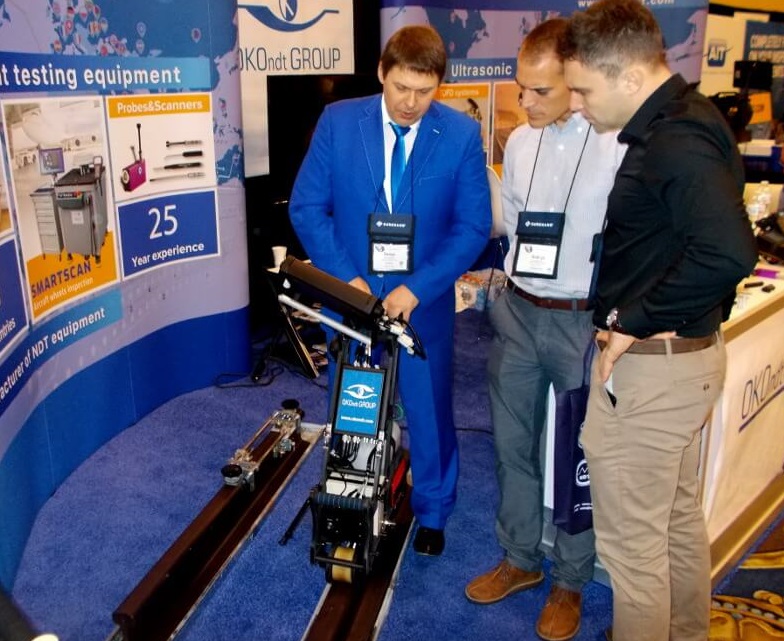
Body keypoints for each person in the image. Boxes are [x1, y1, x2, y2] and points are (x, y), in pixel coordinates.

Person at [559, 1, 758, 640]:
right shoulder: (686, 117)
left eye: (583, 90)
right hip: (677, 366)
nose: (577, 105)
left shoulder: (675, 139)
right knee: (673, 521)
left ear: (627, 75)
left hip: (653, 375)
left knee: (633, 554)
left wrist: (632, 319)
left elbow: (728, 252)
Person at [288, 25, 491, 556]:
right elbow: (307, 208)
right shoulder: (338, 122)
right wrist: (348, 281)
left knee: (428, 411)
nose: (410, 102)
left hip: (421, 305)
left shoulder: (460, 135)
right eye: (401, 87)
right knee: (353, 405)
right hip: (352, 301)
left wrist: (417, 289)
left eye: (424, 91)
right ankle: (351, 499)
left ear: (440, 86)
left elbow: (472, 227)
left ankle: (434, 510)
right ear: (382, 72)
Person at [464, 18, 626, 641]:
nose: (524, 102)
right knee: (512, 444)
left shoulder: (615, 144)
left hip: (581, 322)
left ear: (576, 81)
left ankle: (572, 579)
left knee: (576, 458)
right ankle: (521, 557)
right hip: (518, 311)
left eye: (541, 91)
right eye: (520, 88)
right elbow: (511, 223)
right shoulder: (521, 143)